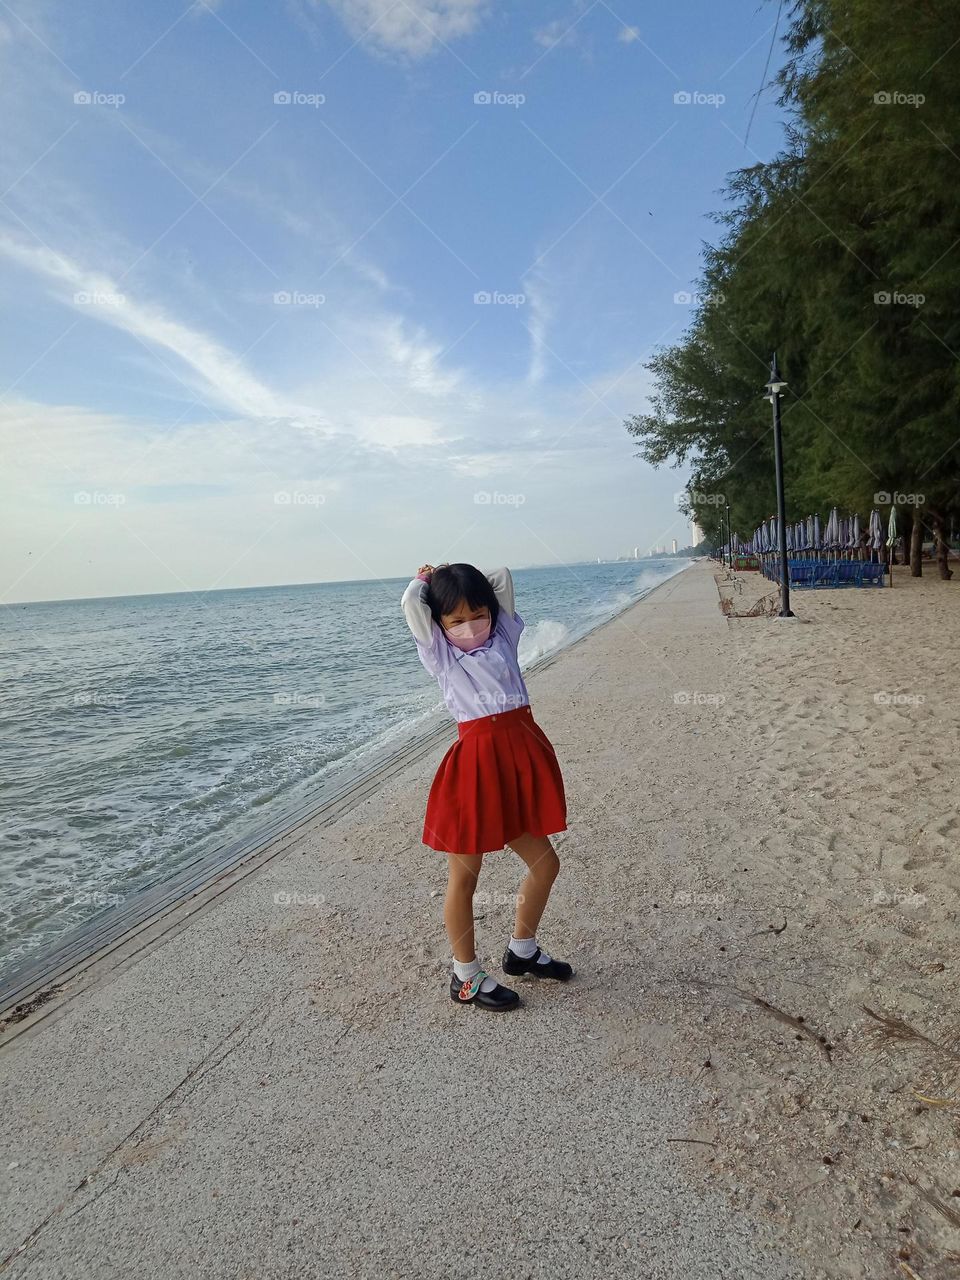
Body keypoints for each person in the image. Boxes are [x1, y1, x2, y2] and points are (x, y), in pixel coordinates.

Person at [400, 562, 572, 1012]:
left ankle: (523, 950)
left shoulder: (504, 637)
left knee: (546, 864)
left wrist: (458, 578)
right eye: (456, 620)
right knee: (464, 878)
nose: (470, 627)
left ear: (492, 613)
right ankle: (465, 976)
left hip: (516, 765)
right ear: (440, 624)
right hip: (476, 773)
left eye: (478, 615)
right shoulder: (441, 655)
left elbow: (501, 577)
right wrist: (425, 581)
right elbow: (410, 606)